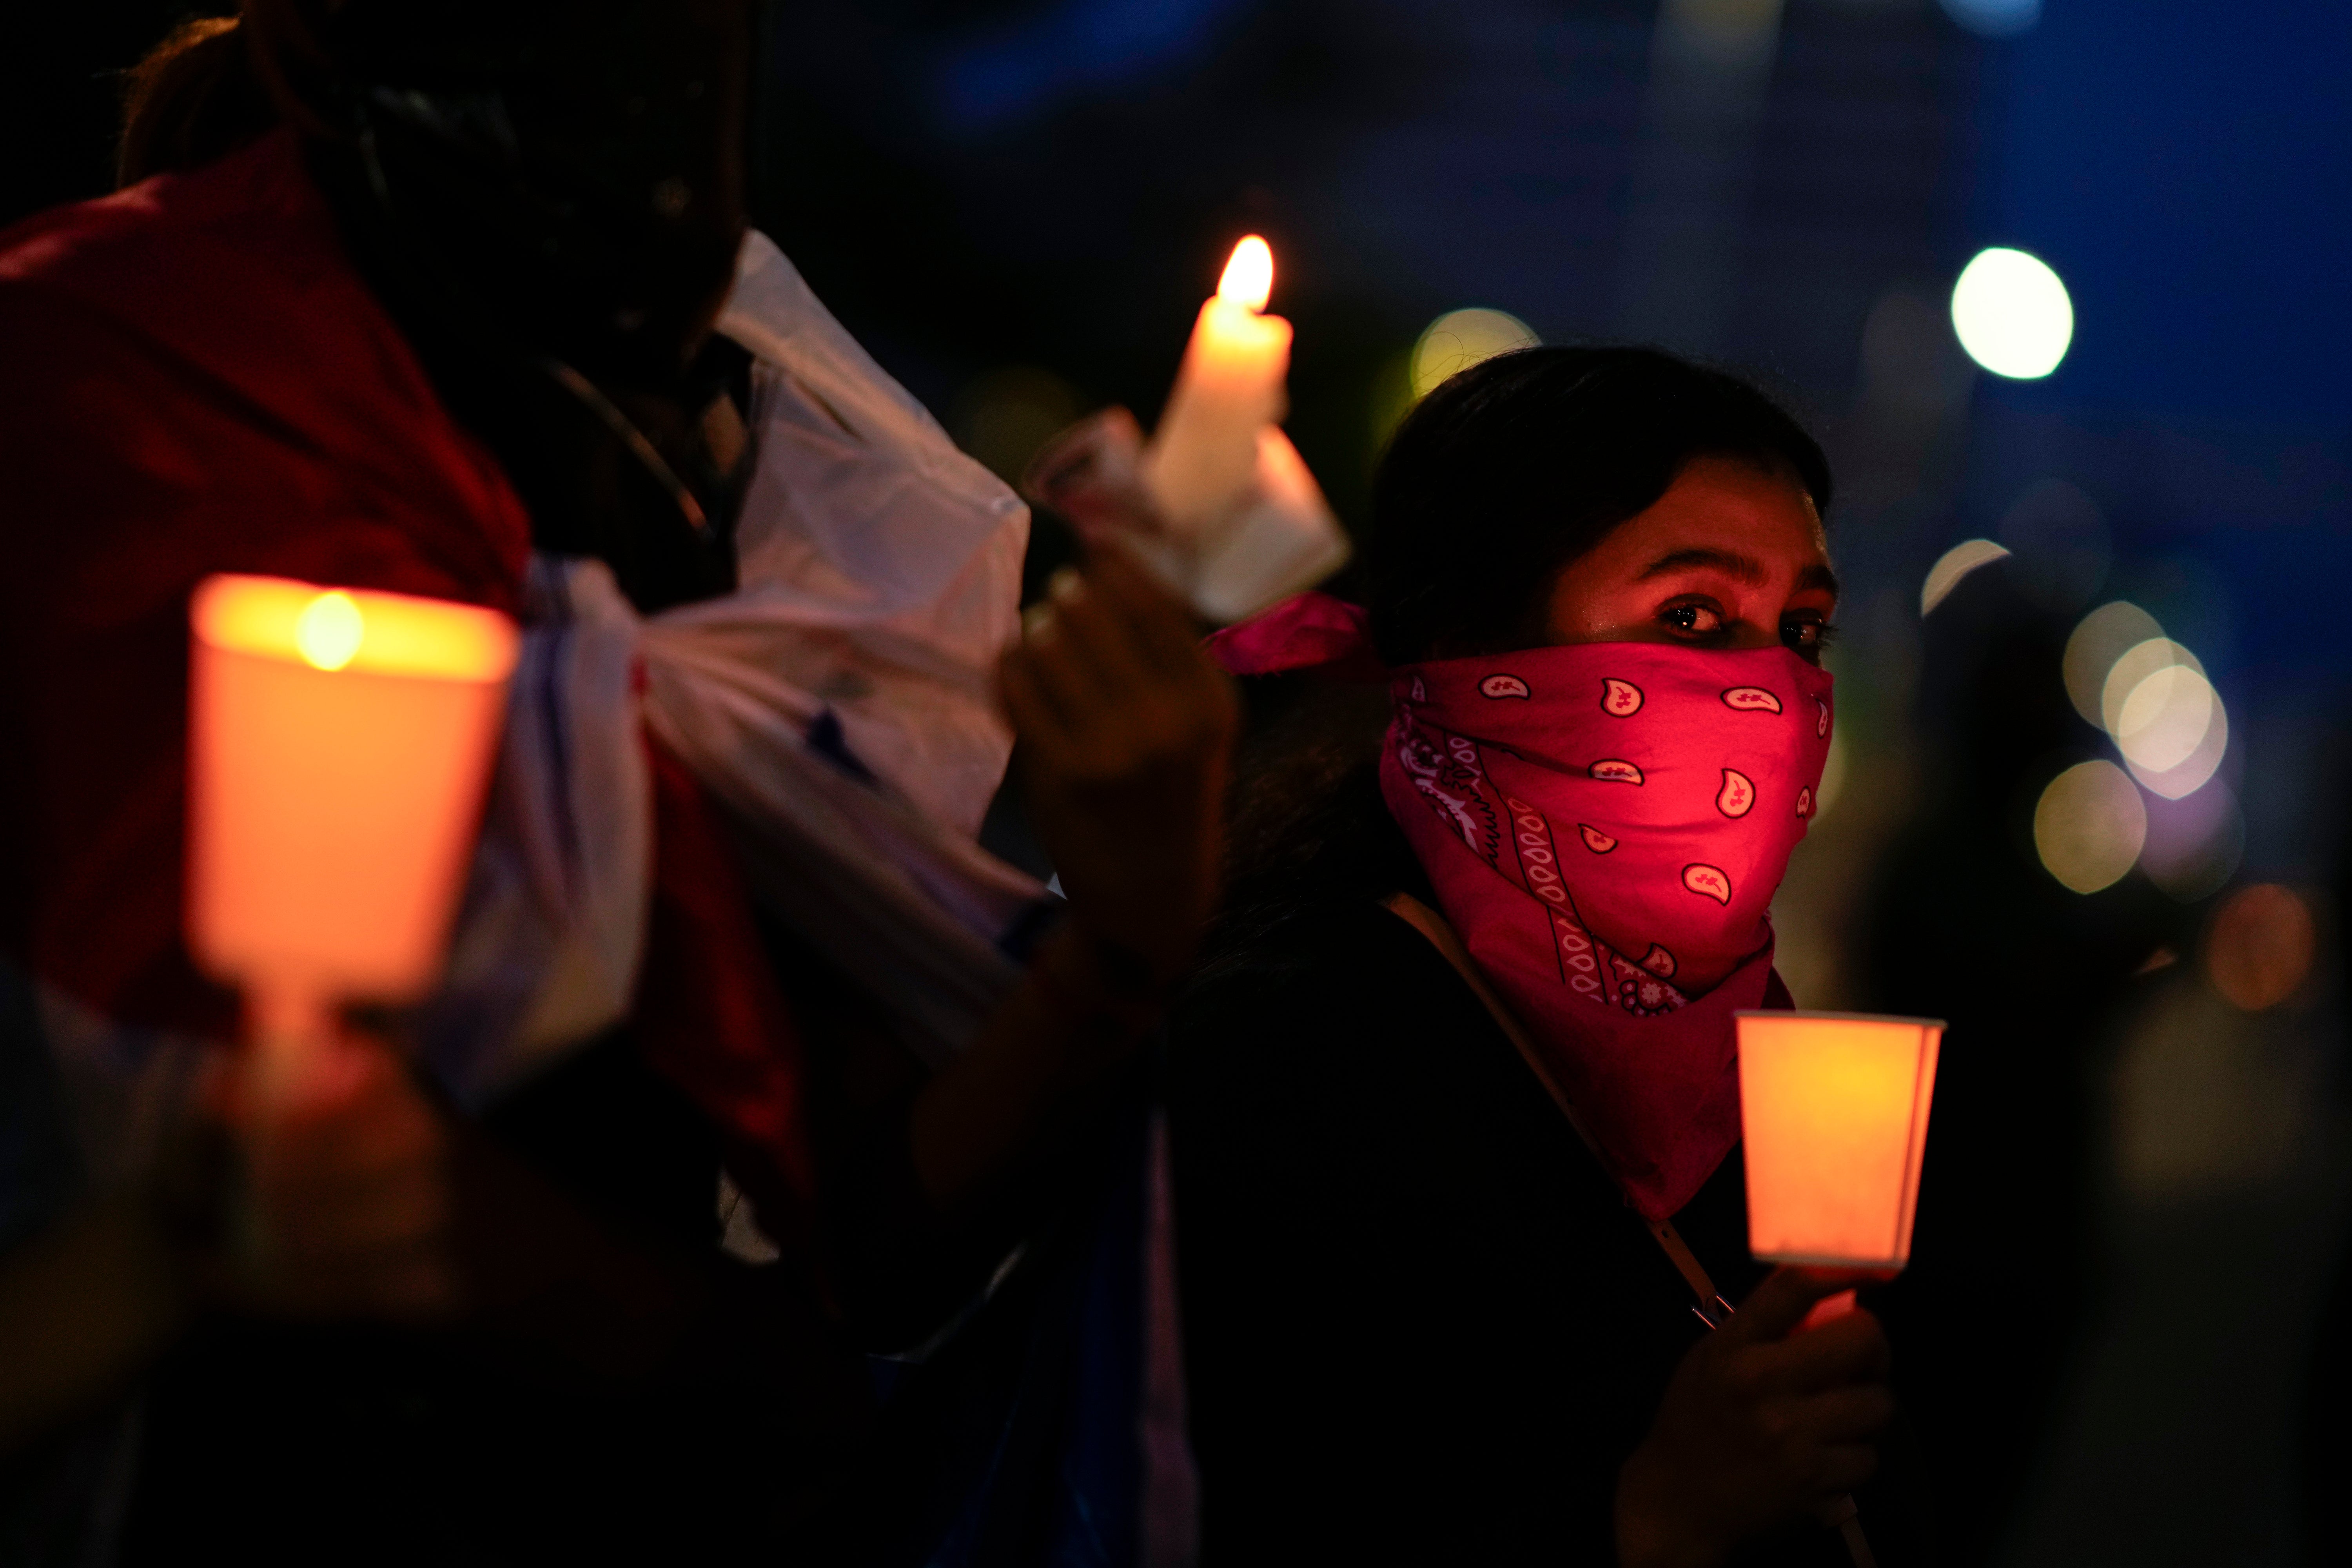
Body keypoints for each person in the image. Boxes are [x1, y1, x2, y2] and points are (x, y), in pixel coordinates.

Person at [0, 1, 1235, 1561]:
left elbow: (862, 1209)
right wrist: (721, 1355)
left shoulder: (713, 437)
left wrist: (1120, 945)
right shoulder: (102, 375)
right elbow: (231, 1187)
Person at [1170, 346, 1911, 1566]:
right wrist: (1651, 1521)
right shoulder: (1284, 1059)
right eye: (1691, 617)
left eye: (1803, 631)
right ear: (1475, 649)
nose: (1773, 694)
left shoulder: (1739, 1082)